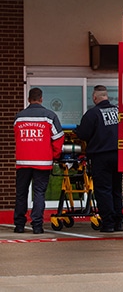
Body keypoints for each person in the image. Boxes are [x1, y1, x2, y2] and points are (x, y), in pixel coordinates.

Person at [14, 87, 64, 234]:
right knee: (39, 193)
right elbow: (58, 138)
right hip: (42, 162)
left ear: (28, 99)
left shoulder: (19, 117)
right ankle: (37, 226)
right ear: (41, 99)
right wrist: (55, 155)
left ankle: (19, 225)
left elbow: (17, 136)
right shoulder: (49, 116)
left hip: (23, 163)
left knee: (21, 193)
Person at [75, 84, 123, 232]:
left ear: (95, 98)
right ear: (106, 97)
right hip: (119, 155)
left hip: (101, 157)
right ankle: (118, 222)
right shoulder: (118, 111)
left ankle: (108, 223)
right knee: (116, 190)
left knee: (103, 190)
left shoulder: (93, 114)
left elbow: (83, 134)